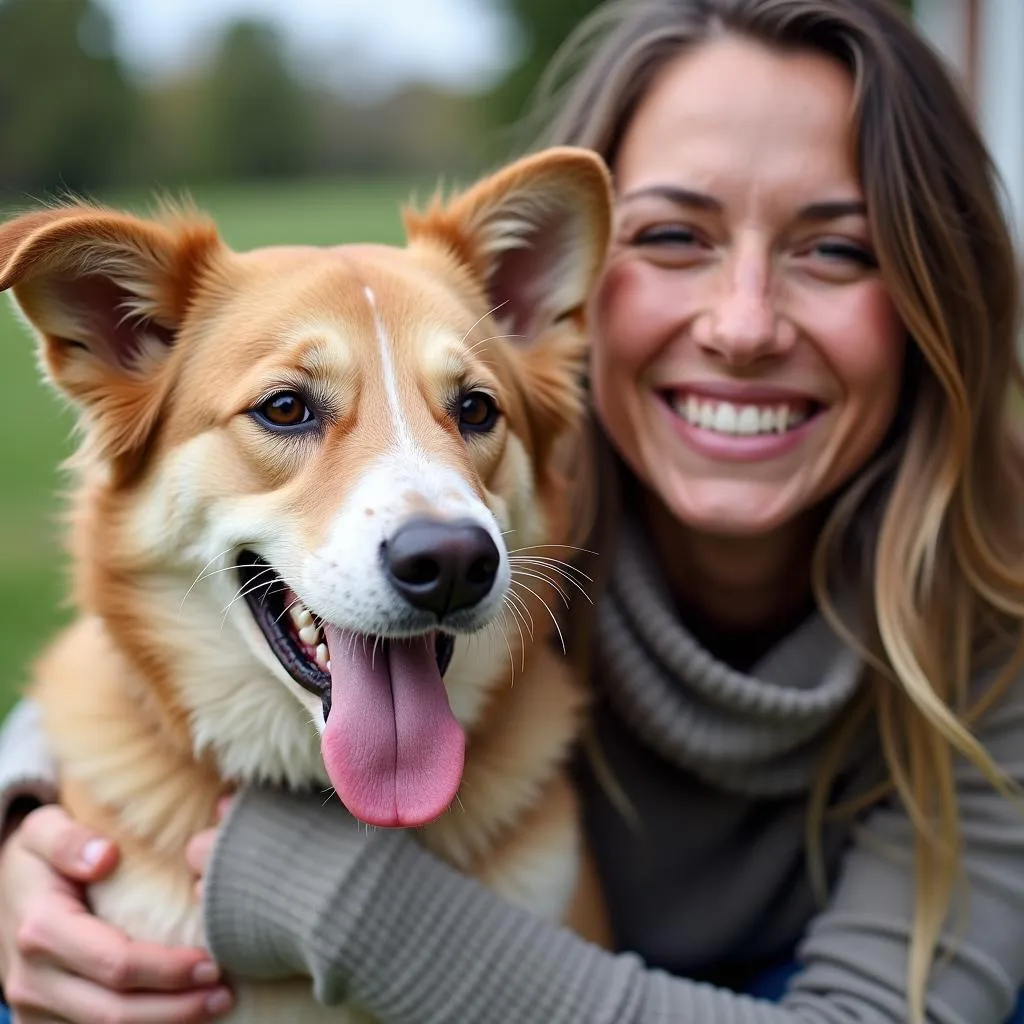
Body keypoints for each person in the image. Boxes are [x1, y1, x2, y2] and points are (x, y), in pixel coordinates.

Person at [3, 0, 1024, 1021]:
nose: (743, 325)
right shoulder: (559, 474)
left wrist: (343, 899)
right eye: (673, 235)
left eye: (834, 249)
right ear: (589, 292)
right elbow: (118, 644)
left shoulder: (997, 619)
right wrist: (18, 825)